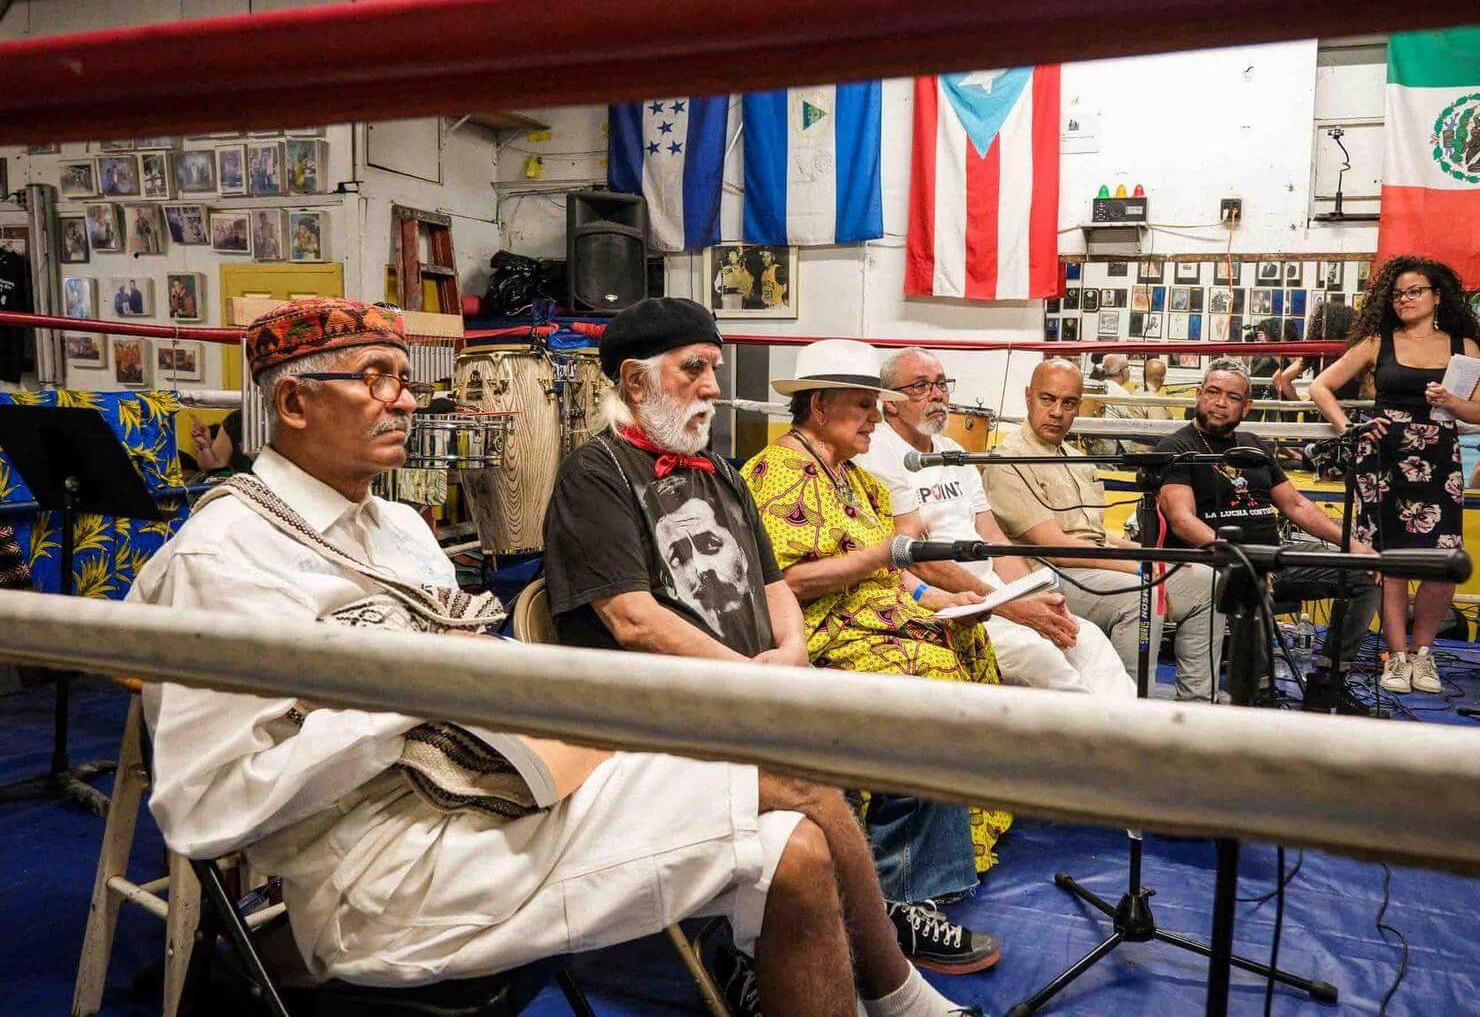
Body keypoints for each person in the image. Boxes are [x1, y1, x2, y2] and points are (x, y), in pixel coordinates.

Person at [134, 299, 978, 1017]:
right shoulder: (223, 556)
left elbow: (466, 669)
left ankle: (869, 983)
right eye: (375, 379)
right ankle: (900, 996)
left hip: (495, 790)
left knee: (796, 835)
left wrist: (480, 698)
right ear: (292, 404)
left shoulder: (398, 528)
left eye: (404, 377)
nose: (405, 402)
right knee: (797, 794)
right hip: (387, 865)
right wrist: (418, 689)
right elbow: (205, 808)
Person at [543, 300, 999, 999]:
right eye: (693, 369)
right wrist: (751, 679)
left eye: (714, 369)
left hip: (751, 683)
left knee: (912, 707)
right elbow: (634, 620)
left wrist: (788, 653)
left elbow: (774, 581)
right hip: (659, 708)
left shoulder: (718, 472)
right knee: (812, 780)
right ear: (635, 383)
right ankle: (896, 987)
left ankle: (885, 912)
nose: (712, 387)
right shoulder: (595, 473)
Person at [741, 339, 1011, 905]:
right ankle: (905, 889)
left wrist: (942, 601)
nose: (875, 418)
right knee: (932, 681)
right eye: (864, 405)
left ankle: (955, 846)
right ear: (819, 406)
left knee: (968, 636)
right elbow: (786, 582)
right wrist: (887, 555)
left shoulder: (858, 477)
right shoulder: (778, 471)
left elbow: (896, 576)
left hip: (876, 615)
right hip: (817, 630)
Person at [858, 346, 1136, 698]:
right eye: (920, 386)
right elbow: (918, 561)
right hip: (957, 604)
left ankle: (1129, 741)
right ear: (891, 401)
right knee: (1044, 661)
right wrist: (1010, 606)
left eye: (942, 384)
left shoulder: (952, 452)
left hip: (995, 594)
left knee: (1088, 640)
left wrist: (1037, 595)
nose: (936, 395)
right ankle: (1091, 745)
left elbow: (992, 537)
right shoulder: (879, 456)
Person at [1309, 256, 1480, 695]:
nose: (1405, 300)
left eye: (1414, 291)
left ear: (1436, 296)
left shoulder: (1464, 346)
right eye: (1397, 294)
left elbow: (1479, 413)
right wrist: (1348, 429)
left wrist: (1450, 398)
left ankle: (1424, 655)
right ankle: (1396, 656)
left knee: (1442, 561)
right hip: (1381, 459)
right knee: (1387, 561)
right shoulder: (1376, 341)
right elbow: (1320, 386)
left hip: (1438, 458)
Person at [1155, 359, 1380, 707]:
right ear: (1199, 395)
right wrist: (1245, 562)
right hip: (1221, 565)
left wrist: (1355, 546)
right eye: (1212, 393)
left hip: (1275, 559)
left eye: (1232, 397)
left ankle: (1328, 681)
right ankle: (1257, 694)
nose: (1219, 402)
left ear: (1247, 406)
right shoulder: (1177, 447)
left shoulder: (1254, 444)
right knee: (1253, 589)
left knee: (1365, 575)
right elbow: (1182, 519)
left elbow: (1296, 505)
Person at [982, 358, 1152, 691]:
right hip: (1053, 570)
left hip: (1096, 561)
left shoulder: (1077, 460)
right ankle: (1133, 716)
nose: (1058, 412)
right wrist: (1140, 568)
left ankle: (1200, 712)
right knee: (1142, 596)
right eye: (1048, 399)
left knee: (1205, 579)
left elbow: (1101, 536)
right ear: (1029, 397)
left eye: (1069, 403)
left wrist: (1159, 556)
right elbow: (1054, 545)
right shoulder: (1007, 460)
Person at [1272, 301, 1358, 401]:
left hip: (1321, 409)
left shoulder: (1317, 352)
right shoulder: (1354, 353)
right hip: (1345, 410)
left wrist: (1302, 407)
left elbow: (1280, 379)